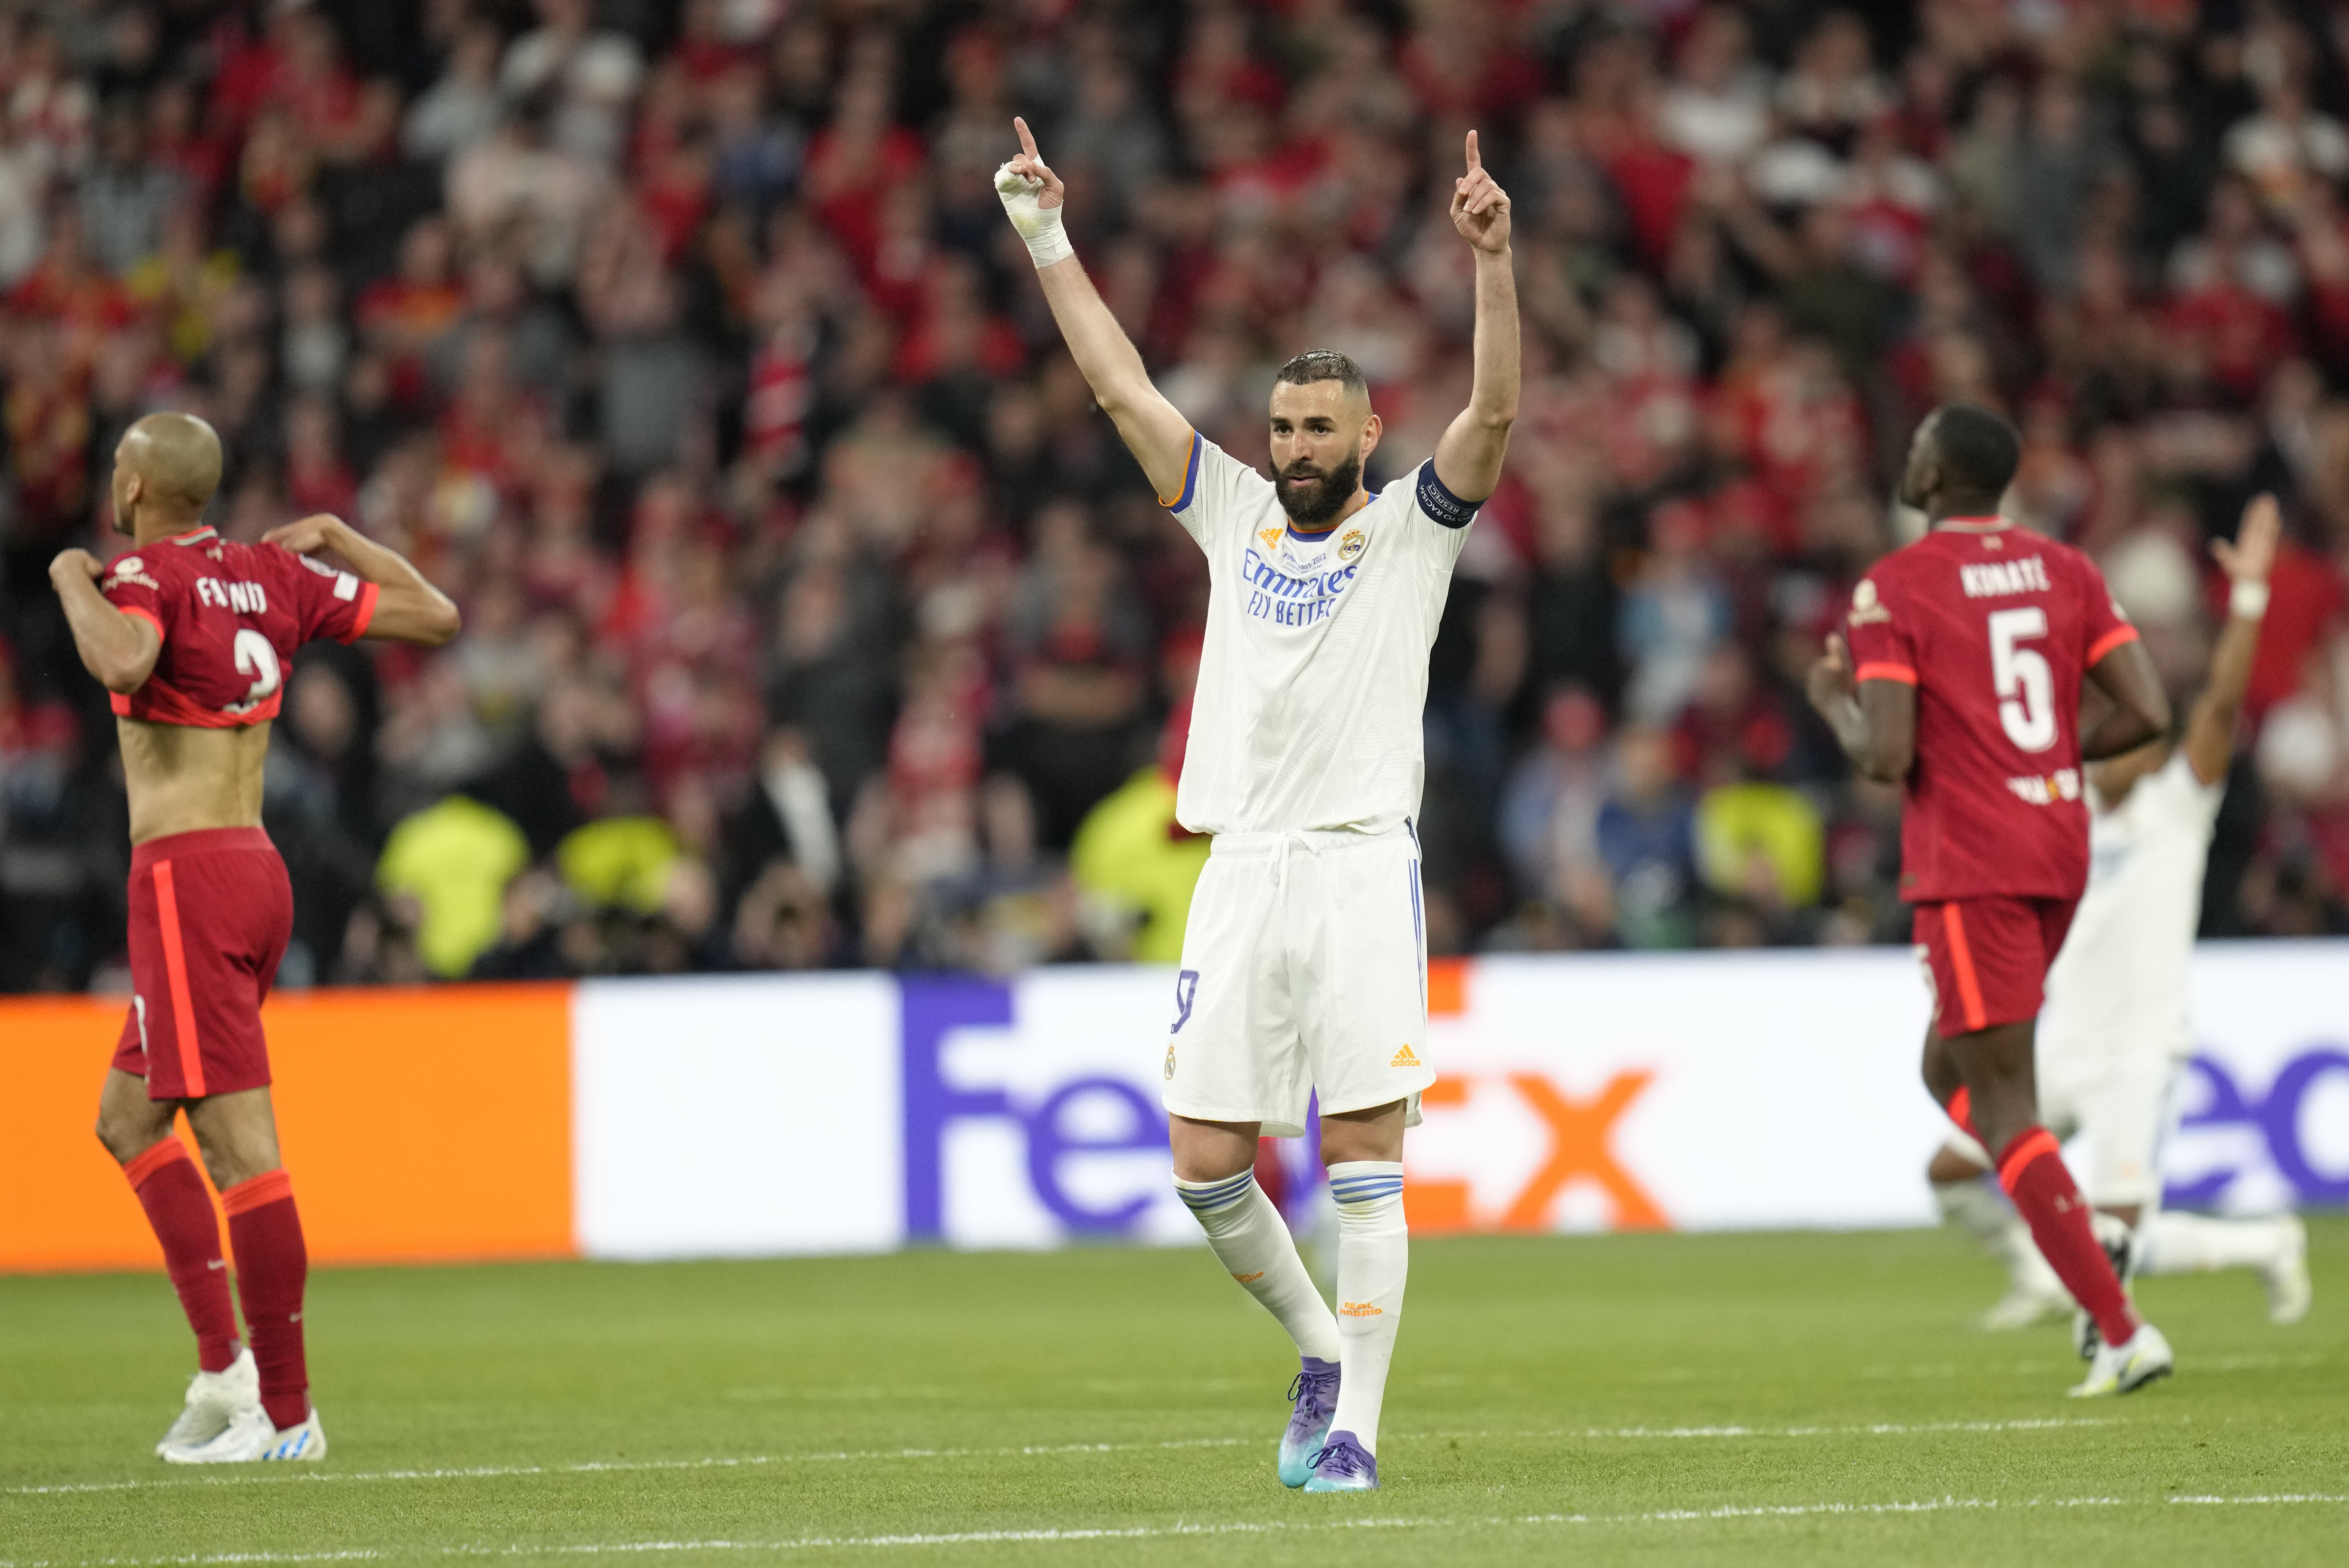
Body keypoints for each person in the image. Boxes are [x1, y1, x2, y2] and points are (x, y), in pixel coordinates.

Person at [994, 117, 1517, 1490]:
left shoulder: (1409, 530)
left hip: (1354, 868)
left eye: (1318, 428)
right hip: (1239, 868)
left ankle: (1358, 1432)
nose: (1293, 445)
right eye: (1282, 425)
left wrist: (1493, 264)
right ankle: (1316, 1349)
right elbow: (1120, 392)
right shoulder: (1226, 508)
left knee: (1363, 1160)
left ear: (1366, 435)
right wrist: (1046, 233)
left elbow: (1499, 415)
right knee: (1203, 1165)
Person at [51, 412, 460, 1462]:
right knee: (129, 1119)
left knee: (242, 1155)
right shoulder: (268, 576)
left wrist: (67, 578)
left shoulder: (139, 573)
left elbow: (130, 658)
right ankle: (224, 1369)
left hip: (188, 877)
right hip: (255, 867)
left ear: (137, 489)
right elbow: (435, 614)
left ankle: (285, 1414)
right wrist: (341, 533)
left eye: (115, 470)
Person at [1805, 404, 2177, 1398]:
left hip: (1971, 864)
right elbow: (2147, 711)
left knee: (2001, 1101)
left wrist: (1832, 705)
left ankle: (2118, 1322)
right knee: (1949, 1068)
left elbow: (1885, 755)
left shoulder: (1894, 587)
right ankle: (2076, 1220)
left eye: (1918, 443)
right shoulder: (2066, 570)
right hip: (2057, 851)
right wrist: (2045, 754)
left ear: (1935, 477)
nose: (1909, 452)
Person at [1929, 495, 2312, 1332]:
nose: (2103, 746)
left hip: (2138, 1052)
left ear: (2153, 746)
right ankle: (2037, 1275)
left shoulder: (2176, 807)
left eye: (2125, 734)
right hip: (2061, 1043)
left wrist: (2246, 599)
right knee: (1950, 1178)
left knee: (2113, 1240)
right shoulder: (2060, 813)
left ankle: (2265, 1245)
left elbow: (2215, 708)